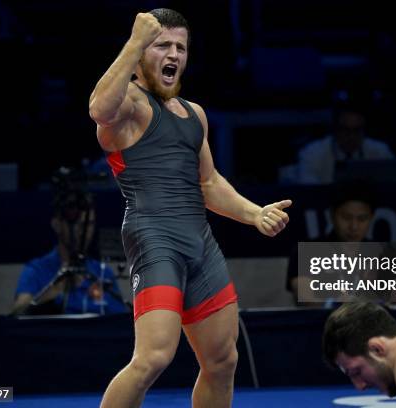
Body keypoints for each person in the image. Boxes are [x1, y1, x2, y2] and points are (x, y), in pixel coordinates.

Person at [88, 9, 291, 408]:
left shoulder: (194, 114)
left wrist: (254, 214)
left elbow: (210, 183)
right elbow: (98, 109)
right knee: (153, 358)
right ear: (143, 51)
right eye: (163, 45)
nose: (174, 54)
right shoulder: (128, 103)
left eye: (181, 47)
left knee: (222, 359)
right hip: (154, 238)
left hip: (200, 242)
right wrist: (133, 42)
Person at [12, 185, 128, 315]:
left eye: (88, 224)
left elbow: (120, 319)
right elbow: (18, 312)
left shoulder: (102, 272)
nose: (83, 231)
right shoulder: (37, 270)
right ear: (57, 225)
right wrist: (54, 290)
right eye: (76, 223)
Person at [286, 184, 376, 305]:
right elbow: (304, 296)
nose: (354, 226)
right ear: (332, 215)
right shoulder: (308, 251)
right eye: (346, 217)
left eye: (362, 219)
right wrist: (334, 303)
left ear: (371, 218)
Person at [297, 93, 395, 185]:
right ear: (335, 130)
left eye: (357, 130)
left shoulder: (381, 152)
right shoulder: (312, 154)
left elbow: (393, 187)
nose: (351, 136)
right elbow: (309, 193)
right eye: (345, 130)